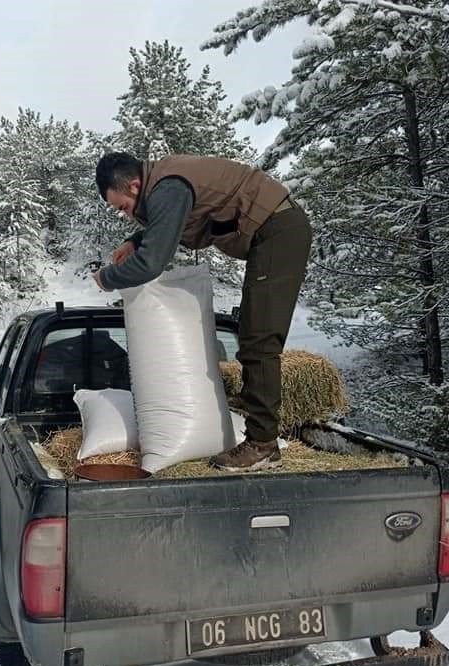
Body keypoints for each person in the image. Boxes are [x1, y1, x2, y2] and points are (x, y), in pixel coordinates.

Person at [93, 152, 312, 471]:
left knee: (258, 340)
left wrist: (106, 278)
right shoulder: (165, 184)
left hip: (278, 229)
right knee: (255, 336)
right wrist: (136, 240)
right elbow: (173, 224)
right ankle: (263, 442)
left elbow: (152, 264)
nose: (125, 215)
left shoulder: (168, 186)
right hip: (274, 229)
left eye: (123, 207)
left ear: (135, 186)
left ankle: (263, 445)